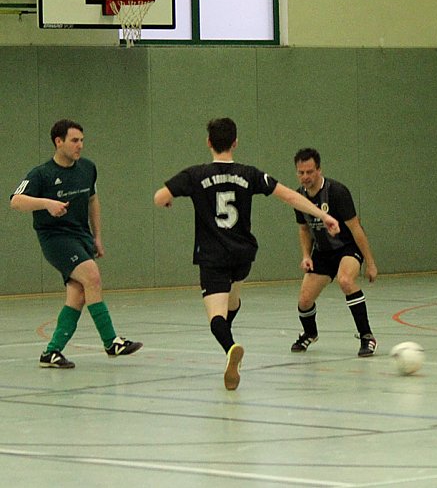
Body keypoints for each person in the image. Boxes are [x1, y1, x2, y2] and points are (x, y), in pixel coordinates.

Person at [154, 118, 339, 390]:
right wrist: (323, 215)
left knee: (216, 317)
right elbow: (289, 196)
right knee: (232, 302)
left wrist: (168, 197)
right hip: (242, 255)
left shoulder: (195, 175)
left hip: (213, 256)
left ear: (209, 143)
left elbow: (159, 197)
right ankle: (228, 336)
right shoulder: (249, 174)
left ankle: (231, 348)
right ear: (235, 142)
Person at [9, 119, 143, 369]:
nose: (79, 145)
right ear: (58, 142)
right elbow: (16, 201)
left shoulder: (88, 168)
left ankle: (51, 352)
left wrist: (97, 236)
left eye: (82, 140)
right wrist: (46, 203)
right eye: (74, 140)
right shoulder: (41, 174)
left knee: (79, 294)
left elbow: (93, 200)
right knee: (92, 276)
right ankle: (111, 341)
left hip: (80, 236)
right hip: (55, 238)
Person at [290, 148, 379, 357]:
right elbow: (304, 229)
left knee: (345, 281)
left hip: (347, 248)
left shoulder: (337, 192)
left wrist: (370, 263)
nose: (305, 177)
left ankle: (367, 336)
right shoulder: (299, 197)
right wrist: (306, 255)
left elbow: (357, 228)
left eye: (309, 172)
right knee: (304, 300)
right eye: (301, 173)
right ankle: (310, 333)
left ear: (319, 170)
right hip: (322, 252)